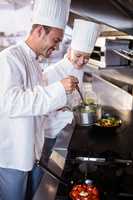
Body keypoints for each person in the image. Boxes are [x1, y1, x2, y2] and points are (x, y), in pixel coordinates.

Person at [0, 0, 80, 200]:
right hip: (12, 156)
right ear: (39, 31)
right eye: (55, 40)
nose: (56, 45)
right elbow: (10, 102)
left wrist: (67, 66)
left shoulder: (33, 61)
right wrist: (58, 90)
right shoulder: (8, 59)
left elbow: (41, 86)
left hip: (30, 149)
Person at [40, 19, 101, 166]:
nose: (81, 61)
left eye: (86, 57)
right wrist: (59, 106)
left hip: (67, 129)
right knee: (44, 171)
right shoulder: (50, 73)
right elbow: (41, 105)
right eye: (78, 55)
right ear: (69, 50)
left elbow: (75, 97)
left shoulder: (78, 69)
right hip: (51, 133)